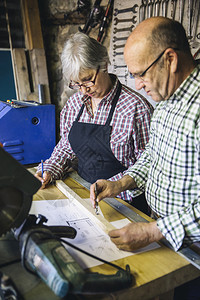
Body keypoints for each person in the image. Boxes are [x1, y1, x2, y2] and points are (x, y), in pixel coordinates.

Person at [90, 17, 200, 299]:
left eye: (141, 74)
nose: (137, 85)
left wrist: (153, 232)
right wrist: (120, 183)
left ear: (170, 59)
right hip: (165, 237)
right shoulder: (165, 101)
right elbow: (153, 154)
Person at [35, 32, 153, 213]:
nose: (83, 91)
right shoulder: (74, 105)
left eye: (87, 80)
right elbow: (66, 148)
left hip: (126, 204)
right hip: (83, 195)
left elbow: (149, 165)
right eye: (76, 84)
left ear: (104, 65)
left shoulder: (136, 108)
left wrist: (117, 185)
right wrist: (50, 169)